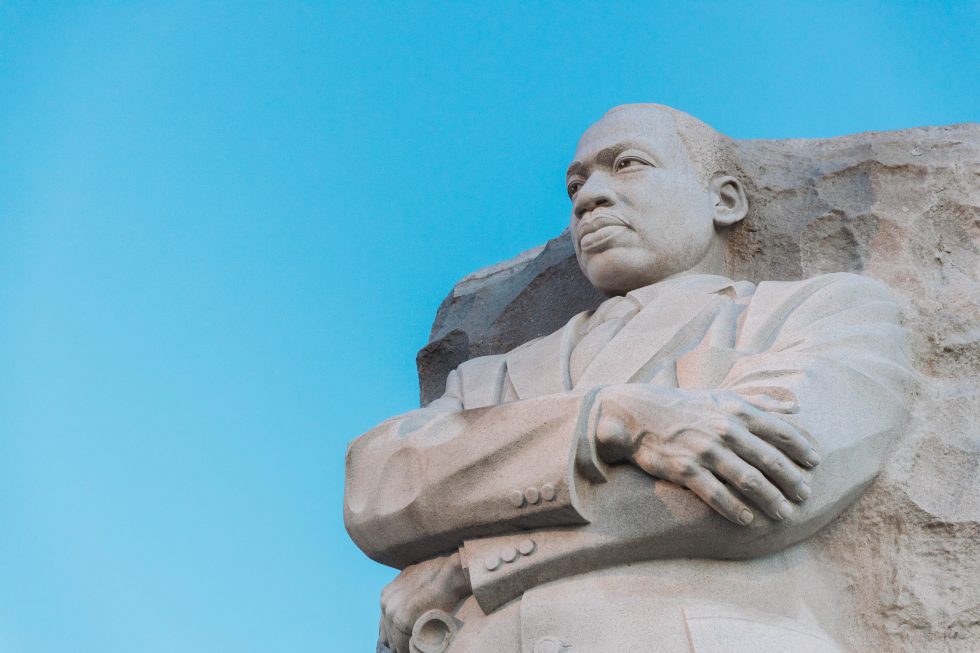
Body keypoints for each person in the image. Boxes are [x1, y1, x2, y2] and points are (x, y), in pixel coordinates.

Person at [345, 104, 912, 653]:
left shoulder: (815, 310)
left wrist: (465, 566)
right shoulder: (488, 379)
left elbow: (767, 483)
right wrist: (606, 419)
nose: (589, 198)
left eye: (628, 164)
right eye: (574, 186)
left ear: (724, 199)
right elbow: (380, 487)